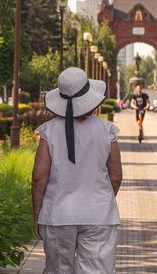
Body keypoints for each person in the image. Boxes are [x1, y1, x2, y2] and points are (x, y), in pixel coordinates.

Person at [32, 67, 123, 274]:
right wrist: (103, 200)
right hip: (99, 215)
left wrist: (38, 213)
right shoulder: (107, 130)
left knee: (58, 270)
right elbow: (115, 176)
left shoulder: (49, 130)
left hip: (57, 213)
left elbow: (39, 178)